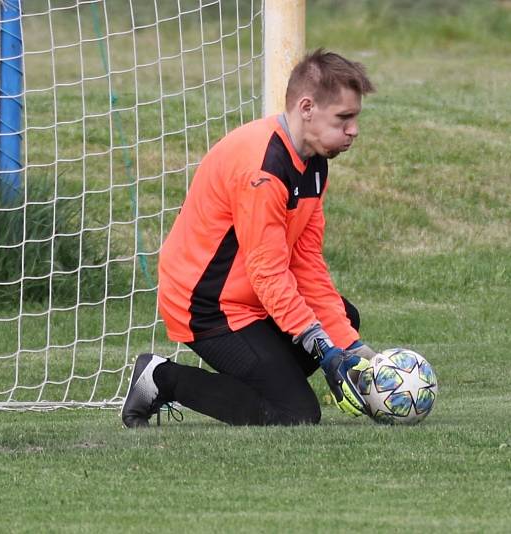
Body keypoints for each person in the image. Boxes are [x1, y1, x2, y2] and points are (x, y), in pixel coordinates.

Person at [121, 49, 377, 428]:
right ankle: (160, 378)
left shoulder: (314, 162)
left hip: (251, 299)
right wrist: (325, 351)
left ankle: (267, 380)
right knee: (296, 414)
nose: (354, 129)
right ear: (307, 107)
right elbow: (269, 274)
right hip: (206, 306)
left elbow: (306, 262)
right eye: (344, 118)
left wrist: (351, 348)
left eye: (355, 118)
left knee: (344, 319)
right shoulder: (263, 170)